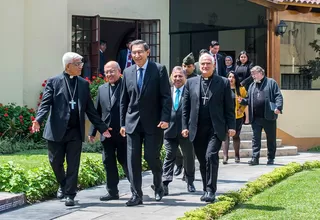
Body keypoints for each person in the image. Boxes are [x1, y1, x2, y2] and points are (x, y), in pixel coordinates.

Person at [32, 52, 110, 206]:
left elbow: (90, 109)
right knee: (55, 162)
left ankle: (70, 194)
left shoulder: (83, 84)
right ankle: (63, 184)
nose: (81, 66)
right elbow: (45, 103)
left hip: (75, 131)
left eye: (81, 63)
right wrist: (38, 120)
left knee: (73, 163)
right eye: (78, 64)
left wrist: (102, 128)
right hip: (56, 130)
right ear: (68, 66)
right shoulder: (53, 82)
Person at [120, 39, 172, 206]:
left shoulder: (159, 70)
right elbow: (124, 100)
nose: (137, 55)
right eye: (133, 53)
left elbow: (165, 96)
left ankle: (158, 185)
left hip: (154, 123)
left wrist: (165, 118)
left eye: (140, 52)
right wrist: (122, 123)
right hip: (132, 123)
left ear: (147, 52)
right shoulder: (127, 72)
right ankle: (136, 195)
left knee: (151, 157)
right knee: (133, 159)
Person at [182, 53, 235, 203]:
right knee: (202, 160)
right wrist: (184, 126)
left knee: (210, 156)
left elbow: (229, 107)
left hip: (215, 127)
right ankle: (206, 188)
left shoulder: (223, 82)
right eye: (203, 64)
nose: (205, 66)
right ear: (199, 65)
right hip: (197, 128)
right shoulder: (190, 83)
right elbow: (185, 108)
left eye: (208, 64)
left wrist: (231, 126)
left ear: (213, 65)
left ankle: (211, 190)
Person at [88, 61, 129, 201]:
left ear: (119, 71)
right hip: (107, 134)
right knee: (108, 162)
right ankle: (112, 191)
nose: (109, 74)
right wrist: (93, 131)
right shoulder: (102, 89)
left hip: (123, 133)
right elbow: (96, 112)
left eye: (112, 71)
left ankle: (136, 188)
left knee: (126, 161)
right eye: (106, 72)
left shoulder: (127, 86)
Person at [160, 66, 195, 195]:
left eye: (180, 76)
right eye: (175, 76)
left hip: (185, 131)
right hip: (169, 131)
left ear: (185, 78)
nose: (177, 78)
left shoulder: (190, 92)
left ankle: (189, 181)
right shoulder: (167, 92)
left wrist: (190, 127)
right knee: (169, 155)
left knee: (188, 156)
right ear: (171, 77)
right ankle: (165, 183)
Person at [238, 66, 283, 166]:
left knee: (271, 138)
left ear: (261, 73)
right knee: (255, 139)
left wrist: (278, 107)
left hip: (268, 116)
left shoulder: (271, 82)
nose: (253, 76)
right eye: (252, 74)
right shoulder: (252, 86)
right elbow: (249, 99)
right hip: (256, 117)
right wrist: (243, 101)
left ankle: (271, 158)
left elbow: (278, 95)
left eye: (254, 74)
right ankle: (255, 158)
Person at [174, 52, 198, 178]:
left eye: (188, 66)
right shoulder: (177, 77)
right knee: (172, 149)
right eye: (184, 65)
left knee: (189, 151)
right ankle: (179, 162)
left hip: (189, 121)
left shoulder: (196, 79)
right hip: (174, 121)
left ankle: (187, 174)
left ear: (193, 66)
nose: (186, 68)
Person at [221, 71, 247, 164]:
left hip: (237, 116)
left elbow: (246, 100)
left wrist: (242, 107)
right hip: (226, 116)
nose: (231, 79)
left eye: (233, 77)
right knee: (225, 136)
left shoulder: (241, 89)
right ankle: (225, 156)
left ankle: (237, 155)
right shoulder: (223, 88)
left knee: (236, 136)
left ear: (236, 79)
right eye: (229, 77)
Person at [234, 51, 253, 124]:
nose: (243, 58)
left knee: (245, 101)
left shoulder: (250, 65)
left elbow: (251, 76)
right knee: (239, 100)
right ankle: (240, 117)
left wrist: (243, 82)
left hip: (246, 85)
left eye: (245, 57)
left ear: (247, 58)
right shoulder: (237, 65)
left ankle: (247, 119)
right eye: (241, 57)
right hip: (238, 86)